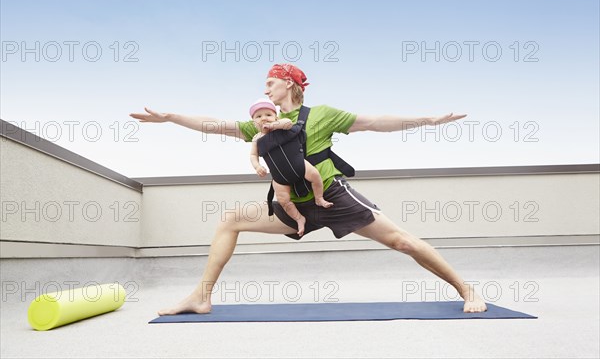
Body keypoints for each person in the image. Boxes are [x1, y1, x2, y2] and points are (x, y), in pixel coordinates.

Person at [129, 63, 488, 314]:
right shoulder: (262, 124)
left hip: (331, 198)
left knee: (402, 241)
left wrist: (428, 120)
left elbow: (375, 122)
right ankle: (200, 297)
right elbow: (215, 126)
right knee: (229, 220)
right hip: (291, 207)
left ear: (289, 84)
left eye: (270, 82)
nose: (265, 88)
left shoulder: (323, 114)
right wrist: (171, 117)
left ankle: (466, 289)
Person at [248, 98, 333, 237]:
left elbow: (288, 124)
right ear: (254, 122)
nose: (264, 118)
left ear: (275, 116)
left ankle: (319, 198)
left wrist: (274, 126)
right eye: (259, 116)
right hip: (279, 176)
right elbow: (253, 155)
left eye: (268, 115)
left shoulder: (281, 124)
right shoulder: (257, 139)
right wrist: (257, 166)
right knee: (283, 200)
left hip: (299, 164)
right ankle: (299, 218)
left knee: (316, 176)